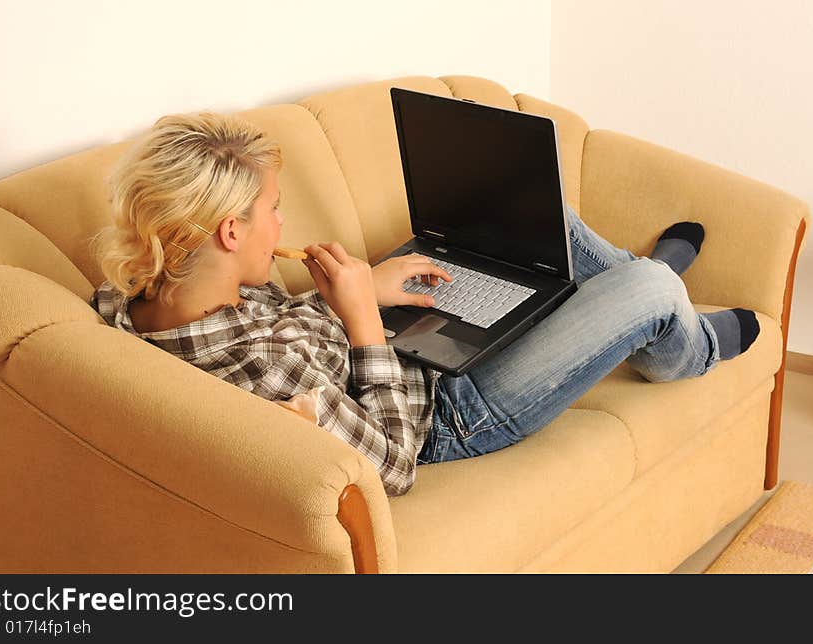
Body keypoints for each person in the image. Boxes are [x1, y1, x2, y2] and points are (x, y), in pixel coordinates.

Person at [90, 111, 760, 497]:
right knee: (647, 289)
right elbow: (394, 462)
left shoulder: (146, 298)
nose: (280, 223)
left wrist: (364, 291)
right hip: (453, 410)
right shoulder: (264, 378)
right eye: (273, 210)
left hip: (394, 338)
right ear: (230, 232)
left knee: (531, 215)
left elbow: (280, 335)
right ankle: (678, 332)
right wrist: (360, 319)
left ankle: (633, 292)